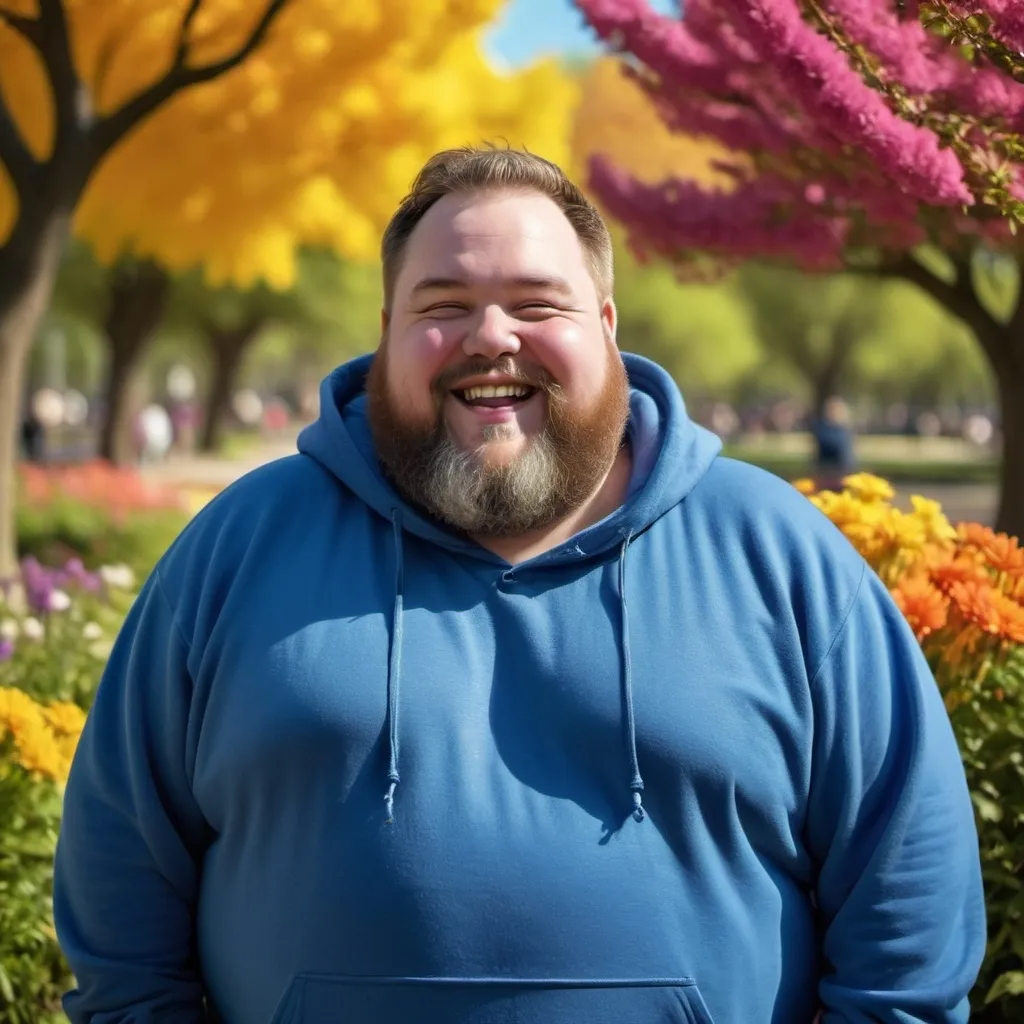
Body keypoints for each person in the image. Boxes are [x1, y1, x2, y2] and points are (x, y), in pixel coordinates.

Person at [54, 147, 985, 1024]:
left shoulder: (779, 554)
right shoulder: (239, 545)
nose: (490, 335)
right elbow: (120, 872)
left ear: (608, 329)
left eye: (537, 304)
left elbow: (908, 898)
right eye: (443, 302)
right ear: (386, 334)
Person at [810, 395, 855, 490]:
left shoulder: (844, 429)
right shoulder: (822, 428)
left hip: (842, 470)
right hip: (826, 470)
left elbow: (847, 453)